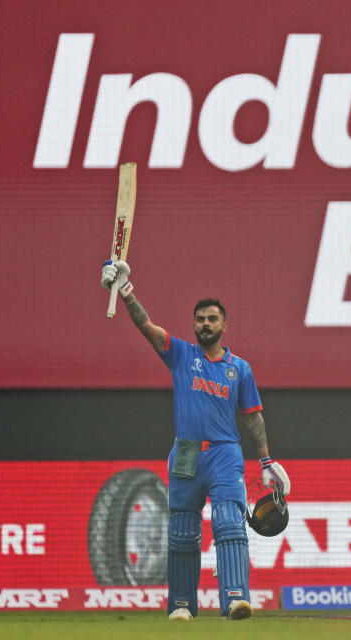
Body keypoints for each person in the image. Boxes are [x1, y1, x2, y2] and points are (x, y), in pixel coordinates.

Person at [100, 259, 291, 621]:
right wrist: (126, 291)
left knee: (229, 524)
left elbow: (253, 418)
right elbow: (148, 327)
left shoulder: (240, 369)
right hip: (187, 452)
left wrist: (266, 462)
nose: (206, 324)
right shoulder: (182, 355)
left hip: (225, 453)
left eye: (212, 319)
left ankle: (235, 599)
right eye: (200, 319)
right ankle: (183, 605)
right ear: (194, 325)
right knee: (183, 531)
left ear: (224, 325)